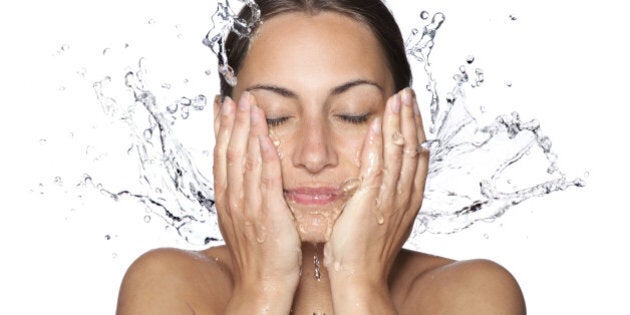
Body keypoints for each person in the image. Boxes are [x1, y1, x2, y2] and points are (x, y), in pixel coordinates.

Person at [116, 0, 526, 314]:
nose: (314, 155)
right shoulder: (169, 287)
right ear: (224, 129)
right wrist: (264, 288)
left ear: (408, 126)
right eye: (275, 118)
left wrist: (359, 285)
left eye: (353, 114)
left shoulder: (473, 295)